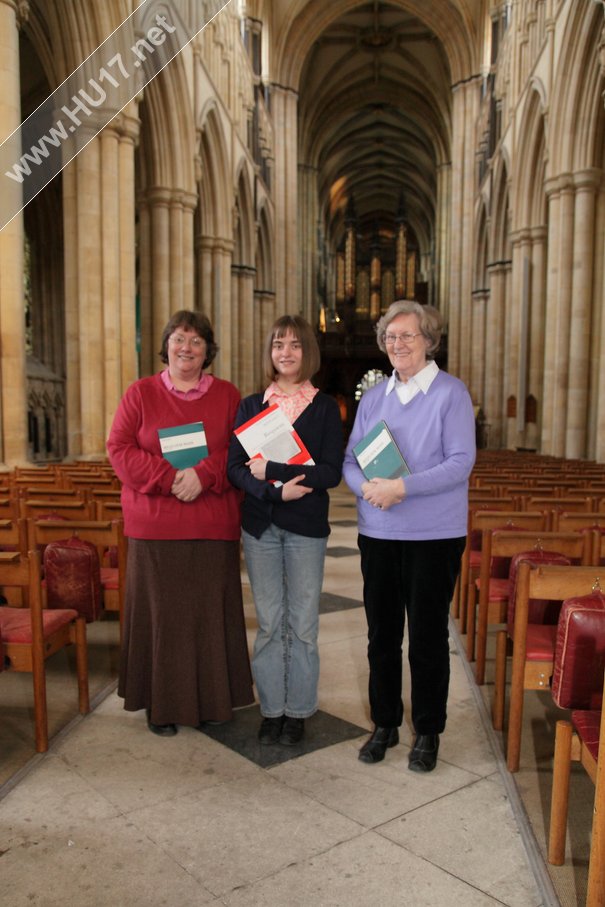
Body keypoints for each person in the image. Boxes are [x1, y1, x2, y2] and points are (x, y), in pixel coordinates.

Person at [107, 309, 254, 736]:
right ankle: (162, 705)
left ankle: (212, 700)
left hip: (211, 524)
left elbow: (242, 451)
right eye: (178, 338)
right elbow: (118, 448)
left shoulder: (228, 396)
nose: (186, 348)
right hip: (155, 526)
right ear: (166, 344)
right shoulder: (140, 393)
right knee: (163, 618)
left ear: (207, 351)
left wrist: (204, 475)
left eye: (195, 341)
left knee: (210, 615)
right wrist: (169, 479)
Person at [343, 300, 476, 772]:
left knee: (426, 637)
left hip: (433, 535)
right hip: (379, 531)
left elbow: (461, 462)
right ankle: (385, 723)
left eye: (408, 335)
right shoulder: (374, 398)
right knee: (381, 634)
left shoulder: (450, 393)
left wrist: (402, 487)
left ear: (429, 340)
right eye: (391, 337)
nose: (397, 344)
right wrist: (368, 490)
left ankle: (429, 730)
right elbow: (350, 462)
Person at [227, 315, 343, 746]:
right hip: (261, 526)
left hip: (307, 528)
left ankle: (298, 710)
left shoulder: (325, 406)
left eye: (295, 344)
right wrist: (274, 493)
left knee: (303, 624)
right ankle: (272, 708)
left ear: (307, 352)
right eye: (278, 344)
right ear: (270, 352)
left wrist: (274, 470)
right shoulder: (251, 405)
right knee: (271, 623)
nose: (286, 352)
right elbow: (235, 468)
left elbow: (330, 472)